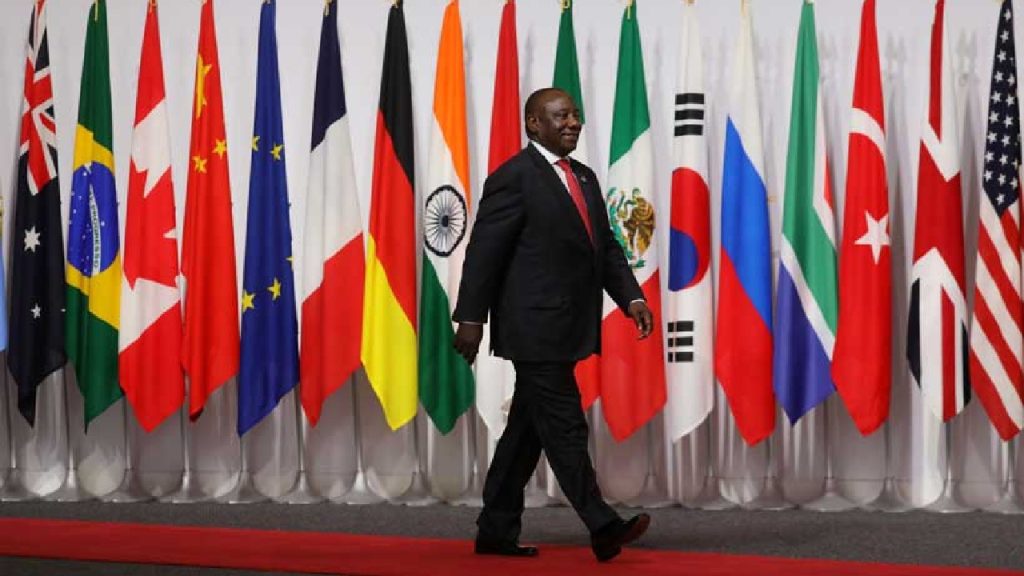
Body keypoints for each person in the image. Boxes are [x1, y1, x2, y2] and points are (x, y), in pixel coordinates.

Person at [452, 87, 652, 562]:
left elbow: (604, 246)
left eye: (575, 115)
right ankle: (601, 524)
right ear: (533, 124)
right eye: (561, 116)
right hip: (532, 327)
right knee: (565, 425)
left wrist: (632, 297)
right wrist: (471, 318)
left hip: (569, 325)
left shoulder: (583, 177)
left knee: (525, 433)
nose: (572, 123)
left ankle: (495, 530)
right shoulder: (513, 178)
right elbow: (484, 253)